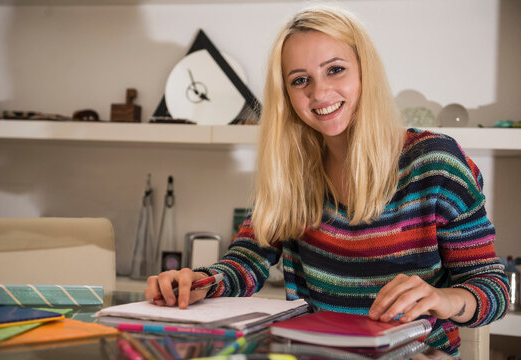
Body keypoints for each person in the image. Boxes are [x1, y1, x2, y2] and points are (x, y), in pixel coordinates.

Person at [145, 5, 509, 356]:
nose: (319, 93)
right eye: (300, 80)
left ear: (365, 72)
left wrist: (446, 299)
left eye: (335, 70)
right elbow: (247, 261)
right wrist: (199, 283)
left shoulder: (435, 163)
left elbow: (492, 288)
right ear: (286, 95)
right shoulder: (291, 168)